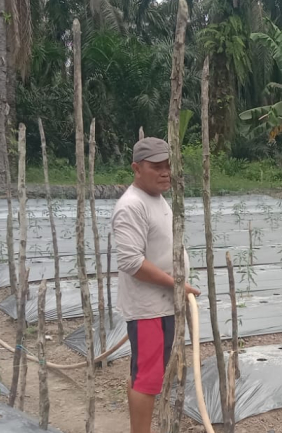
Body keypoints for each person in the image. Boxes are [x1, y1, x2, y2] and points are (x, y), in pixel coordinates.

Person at [112, 137, 201, 433]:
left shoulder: (156, 197)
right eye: (156, 167)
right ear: (137, 168)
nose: (165, 172)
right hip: (148, 308)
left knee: (149, 374)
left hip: (163, 304)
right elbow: (131, 262)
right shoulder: (131, 206)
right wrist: (176, 284)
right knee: (147, 378)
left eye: (168, 166)